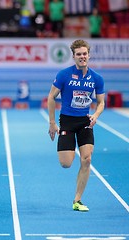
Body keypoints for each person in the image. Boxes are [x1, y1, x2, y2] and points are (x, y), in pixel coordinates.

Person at [47, 39, 105, 212]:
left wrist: (95, 115)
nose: (82, 57)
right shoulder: (64, 75)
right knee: (66, 164)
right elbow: (51, 97)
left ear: (89, 55)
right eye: (78, 54)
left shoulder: (96, 78)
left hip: (85, 122)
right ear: (73, 56)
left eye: (84, 53)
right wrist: (51, 123)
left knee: (87, 159)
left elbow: (101, 102)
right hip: (67, 121)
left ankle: (77, 200)